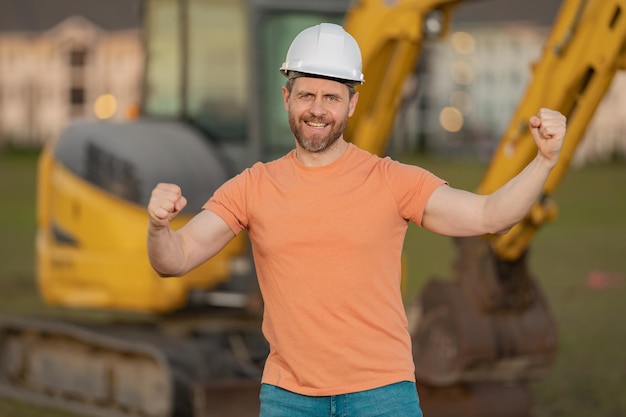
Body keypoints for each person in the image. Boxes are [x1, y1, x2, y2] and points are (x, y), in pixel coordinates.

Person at [147, 23, 566, 417]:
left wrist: (543, 162)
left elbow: (490, 215)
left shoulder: (391, 180)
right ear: (286, 97)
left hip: (383, 395)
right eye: (306, 95)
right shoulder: (252, 186)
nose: (317, 109)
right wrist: (159, 228)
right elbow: (176, 259)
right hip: (288, 399)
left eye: (331, 97)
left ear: (353, 102)